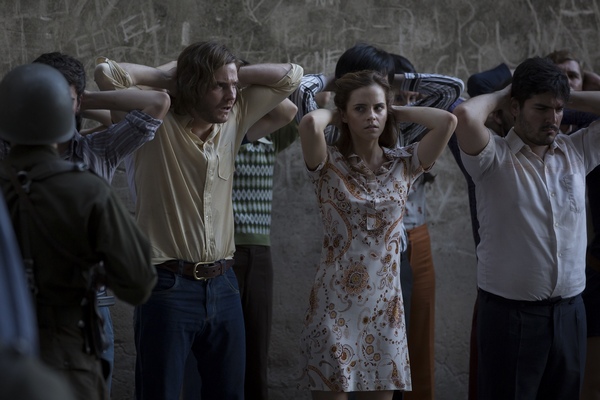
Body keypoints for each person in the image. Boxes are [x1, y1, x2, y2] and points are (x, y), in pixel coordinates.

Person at [95, 41, 303, 400]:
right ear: (191, 86)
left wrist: (232, 70)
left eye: (234, 86)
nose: (230, 95)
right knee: (159, 392)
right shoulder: (149, 123)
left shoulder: (234, 117)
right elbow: (107, 73)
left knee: (229, 394)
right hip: (166, 286)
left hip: (224, 285)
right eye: (219, 85)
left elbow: (291, 78)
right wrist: (175, 75)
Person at [10, 51, 168, 394]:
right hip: (66, 329)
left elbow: (158, 102)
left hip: (79, 317)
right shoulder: (86, 189)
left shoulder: (95, 150)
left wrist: (81, 97)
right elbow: (139, 281)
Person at [298, 70, 457, 399]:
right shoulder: (328, 163)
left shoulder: (405, 163)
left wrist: (393, 109)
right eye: (360, 109)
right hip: (333, 310)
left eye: (377, 109)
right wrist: (341, 109)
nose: (371, 116)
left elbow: (447, 123)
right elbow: (311, 124)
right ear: (344, 115)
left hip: (385, 311)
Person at [453, 56, 600, 399]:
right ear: (515, 108)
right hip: (510, 318)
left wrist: (565, 95)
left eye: (559, 109)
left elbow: (559, 107)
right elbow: (463, 116)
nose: (553, 119)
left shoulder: (577, 151)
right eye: (541, 108)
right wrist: (507, 90)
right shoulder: (492, 157)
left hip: (571, 314)